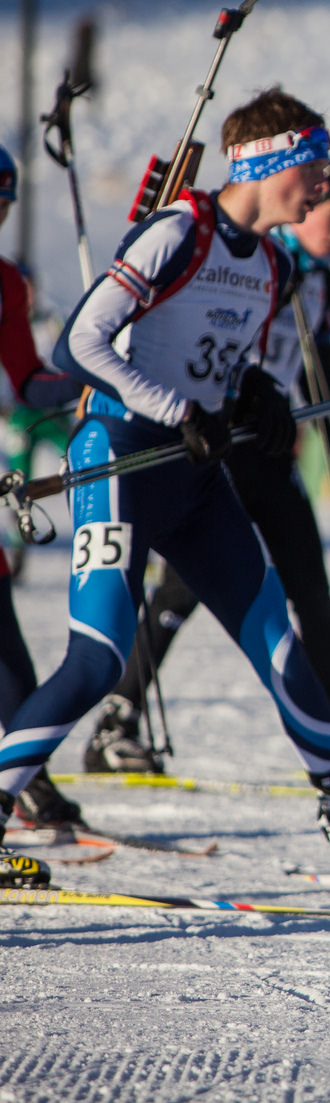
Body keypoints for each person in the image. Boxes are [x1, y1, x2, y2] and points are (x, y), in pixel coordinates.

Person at [0, 88, 330, 882]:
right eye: (314, 168)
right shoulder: (180, 232)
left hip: (194, 476)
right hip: (120, 459)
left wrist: (256, 393)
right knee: (98, 659)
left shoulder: (273, 265)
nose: (322, 185)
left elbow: (216, 362)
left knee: (278, 643)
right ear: (271, 164)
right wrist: (177, 408)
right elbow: (82, 344)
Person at [84, 161, 330, 775]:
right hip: (217, 443)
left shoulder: (323, 285)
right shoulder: (264, 262)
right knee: (180, 590)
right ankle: (117, 718)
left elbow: (319, 375)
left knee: (311, 590)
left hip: (271, 453)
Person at [0, 146, 88, 831]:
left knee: (6, 645)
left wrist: (88, 380)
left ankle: (26, 780)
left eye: (3, 207)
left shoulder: (7, 284)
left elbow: (28, 380)